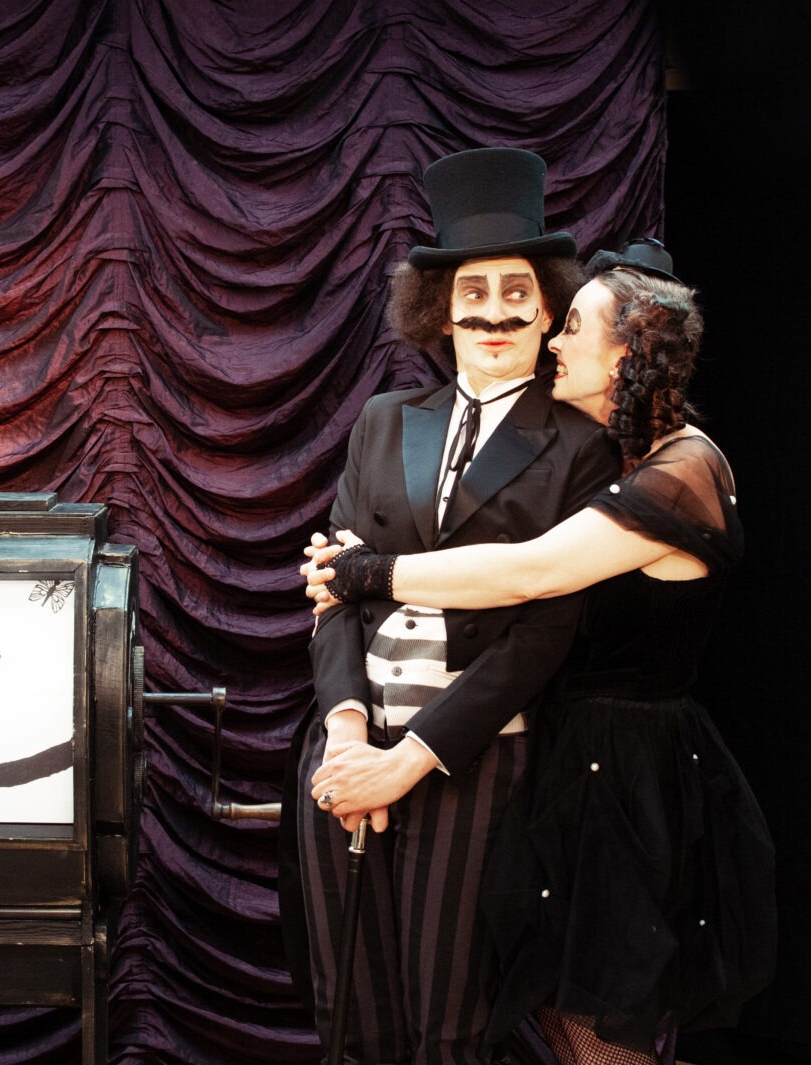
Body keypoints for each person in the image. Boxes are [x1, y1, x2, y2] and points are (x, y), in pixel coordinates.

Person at [305, 248, 777, 1065]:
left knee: (603, 1036)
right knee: (558, 1020)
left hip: (629, 781)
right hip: (572, 764)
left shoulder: (684, 470)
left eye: (574, 326)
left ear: (627, 352)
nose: (553, 339)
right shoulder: (623, 453)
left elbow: (528, 574)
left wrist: (363, 573)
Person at [294, 147, 624, 1065]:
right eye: (472, 290)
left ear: (548, 307)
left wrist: (409, 762)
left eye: (517, 291)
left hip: (473, 761)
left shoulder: (580, 443)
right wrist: (348, 735)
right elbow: (333, 591)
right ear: (440, 308)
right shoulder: (383, 419)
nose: (494, 311)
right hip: (348, 751)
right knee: (350, 1017)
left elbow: (545, 632)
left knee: (449, 1028)